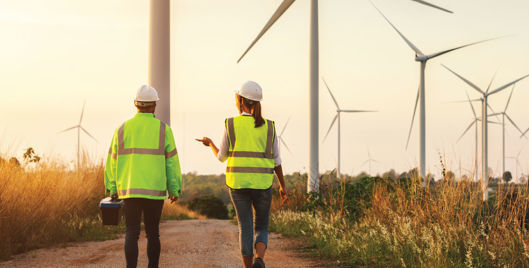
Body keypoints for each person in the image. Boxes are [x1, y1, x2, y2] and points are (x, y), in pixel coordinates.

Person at [196, 81, 288, 268]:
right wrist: (283, 187)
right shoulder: (269, 127)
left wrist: (210, 144)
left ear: (240, 100)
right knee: (261, 226)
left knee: (245, 227)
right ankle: (259, 259)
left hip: (238, 185)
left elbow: (222, 156)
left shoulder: (231, 124)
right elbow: (277, 161)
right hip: (263, 184)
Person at [104, 85, 182, 268]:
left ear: (135, 103)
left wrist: (112, 188)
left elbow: (111, 161)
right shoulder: (164, 129)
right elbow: (171, 162)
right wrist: (174, 188)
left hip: (129, 190)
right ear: (154, 104)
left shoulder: (121, 129)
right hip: (154, 191)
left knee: (131, 233)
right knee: (153, 233)